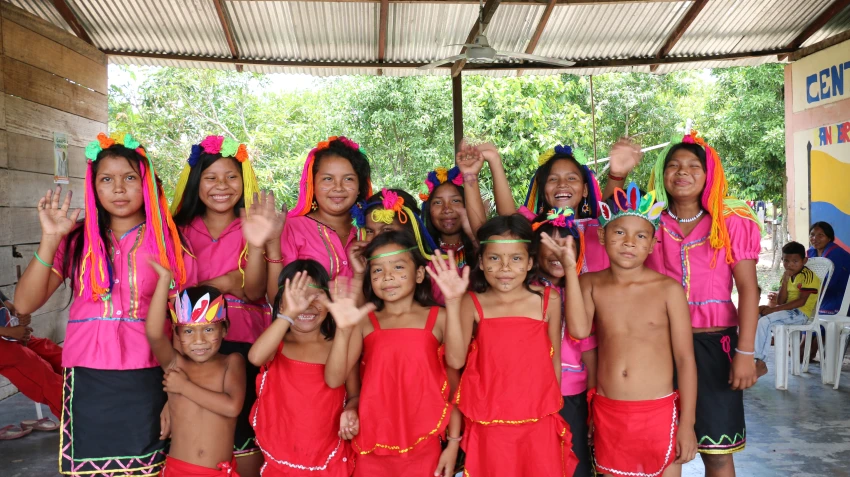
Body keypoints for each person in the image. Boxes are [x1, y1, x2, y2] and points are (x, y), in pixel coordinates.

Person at [13, 133, 194, 476]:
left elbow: (184, 325)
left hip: (150, 375)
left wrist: (177, 393)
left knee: (148, 469)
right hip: (88, 376)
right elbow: (24, 303)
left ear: (147, 184)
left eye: (129, 178)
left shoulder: (170, 242)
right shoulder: (78, 238)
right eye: (106, 179)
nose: (119, 189)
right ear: (94, 187)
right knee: (91, 468)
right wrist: (51, 239)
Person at [559, 183, 697, 477]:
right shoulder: (590, 284)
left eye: (641, 235)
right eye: (619, 232)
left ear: (652, 243)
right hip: (610, 411)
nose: (629, 242)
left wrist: (687, 425)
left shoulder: (668, 290)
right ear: (602, 235)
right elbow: (579, 331)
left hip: (658, 413)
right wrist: (571, 269)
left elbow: (685, 359)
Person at [643, 131, 761, 474]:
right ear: (661, 173)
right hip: (657, 347)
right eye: (674, 165)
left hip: (715, 345)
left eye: (694, 165)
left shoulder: (731, 222)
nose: (683, 172)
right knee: (664, 449)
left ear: (709, 175)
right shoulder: (648, 221)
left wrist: (746, 353)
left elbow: (749, 290)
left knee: (718, 450)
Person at [440, 215, 579, 476]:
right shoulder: (472, 302)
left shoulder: (547, 300)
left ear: (529, 263)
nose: (505, 267)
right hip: (488, 420)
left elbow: (554, 363)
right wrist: (452, 302)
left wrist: (550, 411)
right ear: (480, 262)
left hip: (539, 419)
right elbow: (456, 361)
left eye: (515, 258)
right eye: (494, 258)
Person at [171, 136, 276, 475]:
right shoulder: (178, 231)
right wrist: (228, 282)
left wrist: (250, 259)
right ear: (195, 182)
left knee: (244, 432)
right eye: (210, 177)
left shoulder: (253, 224)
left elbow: (256, 289)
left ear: (243, 181)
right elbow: (178, 294)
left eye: (231, 176)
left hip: (247, 344)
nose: (221, 186)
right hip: (194, 346)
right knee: (199, 429)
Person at [324, 231, 460, 476]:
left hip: (425, 439)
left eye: (398, 267)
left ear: (419, 274)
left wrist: (453, 443)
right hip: (372, 437)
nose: (387, 277)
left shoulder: (439, 317)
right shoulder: (365, 321)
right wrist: (343, 330)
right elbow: (334, 379)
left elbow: (456, 371)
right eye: (377, 270)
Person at [458, 139, 642, 273]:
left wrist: (617, 175)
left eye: (572, 178)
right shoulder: (535, 228)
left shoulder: (599, 230)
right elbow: (500, 222)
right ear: (543, 190)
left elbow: (610, 217)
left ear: (585, 190)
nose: (562, 184)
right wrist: (489, 164)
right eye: (553, 179)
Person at [247, 261, 359, 477]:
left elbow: (346, 389)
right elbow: (255, 357)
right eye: (297, 297)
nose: (306, 304)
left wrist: (351, 410)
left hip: (328, 456)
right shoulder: (277, 344)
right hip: (281, 455)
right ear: (281, 304)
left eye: (316, 296)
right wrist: (287, 315)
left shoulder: (338, 345)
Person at [146, 266, 245, 477]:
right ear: (177, 333)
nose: (199, 340)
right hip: (178, 471)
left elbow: (231, 407)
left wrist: (184, 387)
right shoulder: (176, 365)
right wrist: (164, 280)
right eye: (189, 331)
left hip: (218, 472)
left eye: (209, 329)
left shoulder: (231, 362)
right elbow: (154, 334)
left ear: (225, 329)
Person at [530, 207, 596, 476]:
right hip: (534, 394)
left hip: (573, 396)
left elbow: (588, 346)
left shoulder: (579, 290)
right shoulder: (526, 292)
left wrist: (593, 407)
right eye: (552, 243)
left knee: (574, 464)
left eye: (566, 244)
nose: (559, 251)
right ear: (535, 252)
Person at [266, 136, 372, 292]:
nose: (338, 187)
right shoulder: (291, 228)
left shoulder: (370, 229)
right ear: (313, 185)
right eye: (328, 179)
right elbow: (278, 298)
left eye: (348, 179)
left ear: (359, 187)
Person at [754, 242, 821, 377]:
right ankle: (749, 358)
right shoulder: (786, 276)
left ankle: (760, 362)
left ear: (804, 260)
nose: (790, 264)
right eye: (786, 260)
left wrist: (773, 310)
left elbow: (801, 302)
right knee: (755, 318)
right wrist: (784, 282)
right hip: (787, 312)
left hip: (801, 314)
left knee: (765, 321)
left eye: (795, 261)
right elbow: (781, 301)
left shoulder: (809, 276)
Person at [0, 290, 63, 427]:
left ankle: (95, 397)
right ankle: (81, 422)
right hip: (4, 339)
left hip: (7, 334)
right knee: (40, 372)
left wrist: (19, 315)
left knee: (57, 356)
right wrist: (8, 332)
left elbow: (7, 305)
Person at [419, 166, 477, 271]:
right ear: (428, 210)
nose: (447, 209)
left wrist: (474, 237)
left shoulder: (481, 247)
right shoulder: (422, 255)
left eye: (455, 201)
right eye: (438, 202)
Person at [808, 222, 850, 315]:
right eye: (812, 235)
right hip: (821, 295)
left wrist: (803, 297)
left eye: (821, 235)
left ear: (829, 238)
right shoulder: (810, 252)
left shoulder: (836, 253)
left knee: (818, 324)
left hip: (840, 297)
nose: (815, 238)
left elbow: (827, 283)